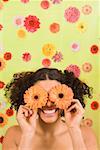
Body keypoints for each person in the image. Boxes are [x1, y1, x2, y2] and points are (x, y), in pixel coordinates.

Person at [2, 68, 98, 150]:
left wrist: (74, 129)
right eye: (40, 96)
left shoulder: (85, 134)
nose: (48, 104)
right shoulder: (13, 135)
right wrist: (27, 134)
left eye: (57, 95)